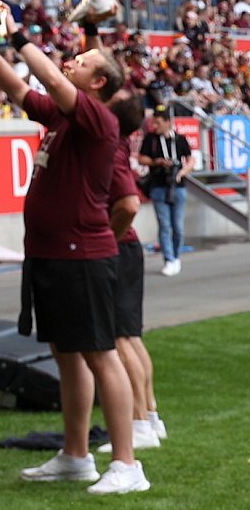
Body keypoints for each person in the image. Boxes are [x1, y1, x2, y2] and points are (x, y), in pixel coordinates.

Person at [0, 0, 146, 494]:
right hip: (51, 254)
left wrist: (18, 36)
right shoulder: (62, 118)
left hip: (82, 255)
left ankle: (126, 464)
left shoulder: (99, 120)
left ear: (98, 84)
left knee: (100, 355)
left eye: (84, 62)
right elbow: (19, 90)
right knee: (67, 356)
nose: (73, 60)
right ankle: (76, 456)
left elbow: (50, 79)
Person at [102, 93, 163, 456]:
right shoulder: (120, 143)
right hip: (128, 248)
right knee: (131, 337)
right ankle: (150, 415)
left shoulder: (110, 148)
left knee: (120, 339)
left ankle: (140, 422)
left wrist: (105, 242)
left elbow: (129, 204)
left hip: (119, 247)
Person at [137, 102, 192, 277]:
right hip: (158, 186)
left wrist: (181, 172)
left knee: (178, 226)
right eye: (154, 122)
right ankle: (168, 259)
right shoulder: (150, 139)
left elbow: (190, 160)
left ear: (168, 122)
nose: (155, 125)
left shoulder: (180, 139)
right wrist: (157, 162)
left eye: (158, 122)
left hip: (178, 186)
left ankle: (176, 256)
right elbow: (141, 158)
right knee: (164, 225)